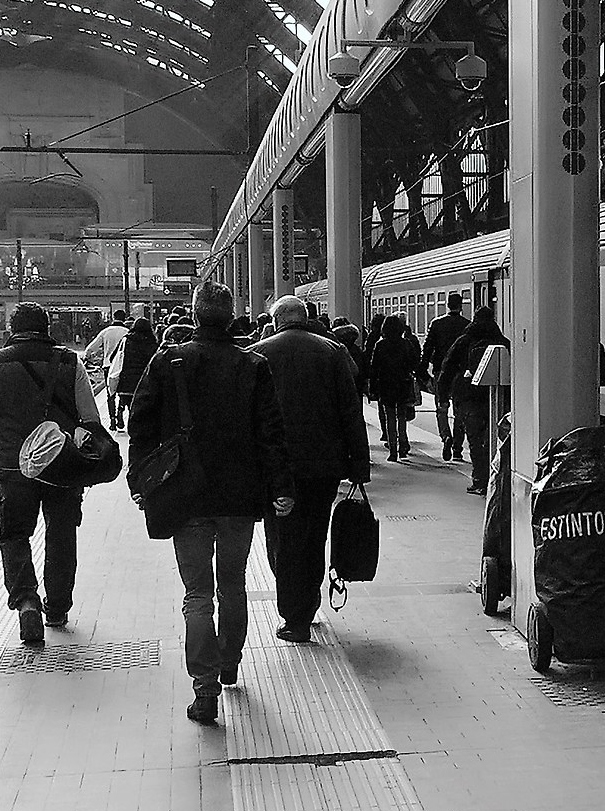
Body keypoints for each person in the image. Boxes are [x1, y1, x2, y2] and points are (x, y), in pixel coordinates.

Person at [127, 282, 295, 726]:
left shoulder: (169, 361)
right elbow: (271, 433)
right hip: (240, 496)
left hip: (186, 496)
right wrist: (281, 487)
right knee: (233, 585)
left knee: (197, 594)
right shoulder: (253, 365)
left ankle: (204, 691)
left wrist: (139, 478)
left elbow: (138, 423)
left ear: (197, 316)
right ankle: (230, 662)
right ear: (231, 317)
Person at [0, 301, 106, 647]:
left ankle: (26, 600)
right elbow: (90, 422)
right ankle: (56, 608)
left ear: (12, 330)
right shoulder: (70, 363)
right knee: (61, 533)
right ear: (47, 328)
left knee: (13, 533)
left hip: (14, 467)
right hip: (60, 466)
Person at [253, 296, 373, 642]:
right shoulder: (333, 351)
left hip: (277, 467)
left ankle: (296, 616)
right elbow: (351, 412)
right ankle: (306, 603)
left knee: (281, 539)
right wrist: (359, 464)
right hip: (324, 467)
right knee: (314, 536)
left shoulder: (260, 352)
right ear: (305, 319)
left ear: (276, 321)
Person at [438, 306, 509, 494]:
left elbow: (447, 369)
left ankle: (479, 480)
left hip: (469, 397)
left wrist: (443, 396)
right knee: (495, 439)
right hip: (497, 398)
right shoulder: (502, 342)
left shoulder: (464, 341)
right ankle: (497, 478)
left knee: (475, 440)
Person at [421, 294, 472, 462]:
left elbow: (427, 348)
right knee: (459, 411)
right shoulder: (467, 325)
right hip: (460, 374)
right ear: (461, 306)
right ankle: (458, 447)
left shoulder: (436, 324)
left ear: (448, 305)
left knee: (441, 408)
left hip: (441, 373)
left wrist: (422, 371)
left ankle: (445, 437)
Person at [369, 316, 422, 462]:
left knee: (390, 417)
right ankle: (403, 446)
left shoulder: (380, 345)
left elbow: (374, 368)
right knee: (402, 417)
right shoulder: (406, 344)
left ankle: (393, 451)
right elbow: (414, 363)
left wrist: (372, 388)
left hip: (386, 385)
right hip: (403, 384)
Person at [84, 311, 130, 429]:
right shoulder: (128, 333)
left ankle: (112, 421)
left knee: (110, 394)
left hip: (108, 366)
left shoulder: (105, 332)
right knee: (122, 391)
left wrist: (87, 358)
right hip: (123, 366)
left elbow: (90, 348)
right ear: (124, 319)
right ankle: (120, 411)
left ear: (113, 318)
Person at [114, 316, 159, 431]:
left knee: (128, 403)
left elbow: (115, 356)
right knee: (141, 407)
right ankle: (137, 427)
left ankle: (121, 412)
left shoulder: (126, 340)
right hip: (145, 380)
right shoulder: (152, 342)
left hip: (127, 379)